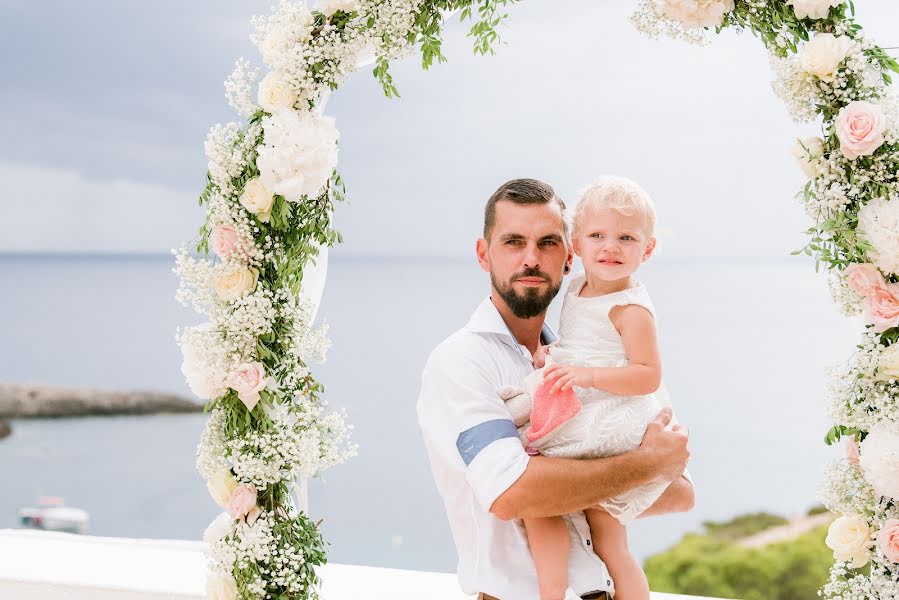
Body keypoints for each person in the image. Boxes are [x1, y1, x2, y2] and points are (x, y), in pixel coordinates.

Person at [417, 178, 693, 600]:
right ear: (482, 254)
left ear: (569, 257)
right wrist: (641, 465)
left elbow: (680, 490)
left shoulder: (607, 353)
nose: (531, 258)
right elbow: (514, 494)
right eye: (513, 241)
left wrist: (593, 474)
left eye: (547, 243)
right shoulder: (461, 362)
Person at [501, 176, 685, 600]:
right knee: (556, 515)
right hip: (580, 403)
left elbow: (647, 375)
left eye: (626, 237)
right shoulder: (576, 287)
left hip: (608, 416)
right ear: (575, 247)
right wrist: (557, 356)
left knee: (592, 526)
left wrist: (585, 375)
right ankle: (552, 591)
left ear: (648, 249)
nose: (611, 247)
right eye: (598, 235)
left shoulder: (630, 308)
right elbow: (582, 343)